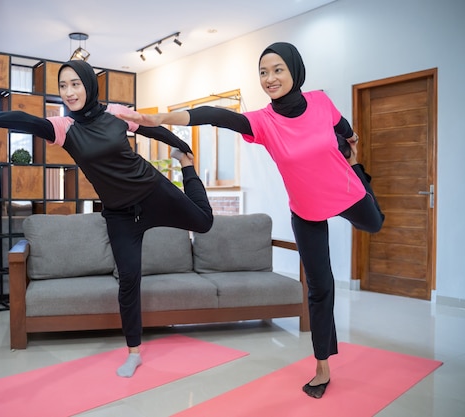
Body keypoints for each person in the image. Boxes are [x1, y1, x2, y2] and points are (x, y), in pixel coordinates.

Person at [116, 42, 385, 398]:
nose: (269, 78)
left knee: (374, 223)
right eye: (263, 72)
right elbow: (213, 114)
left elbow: (343, 126)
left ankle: (359, 174)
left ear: (294, 71)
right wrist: (158, 119)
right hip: (306, 209)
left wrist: (349, 141)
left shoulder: (321, 101)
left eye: (277, 70)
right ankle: (322, 368)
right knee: (321, 288)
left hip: (347, 190)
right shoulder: (263, 121)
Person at [0, 59, 214, 378]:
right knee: (129, 280)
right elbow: (24, 120)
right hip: (120, 215)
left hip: (152, 191)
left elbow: (152, 126)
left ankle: (187, 169)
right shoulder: (63, 129)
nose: (69, 92)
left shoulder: (117, 113)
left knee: (205, 223)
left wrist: (182, 149)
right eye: (63, 86)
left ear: (88, 84)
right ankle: (133, 352)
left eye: (75, 84)